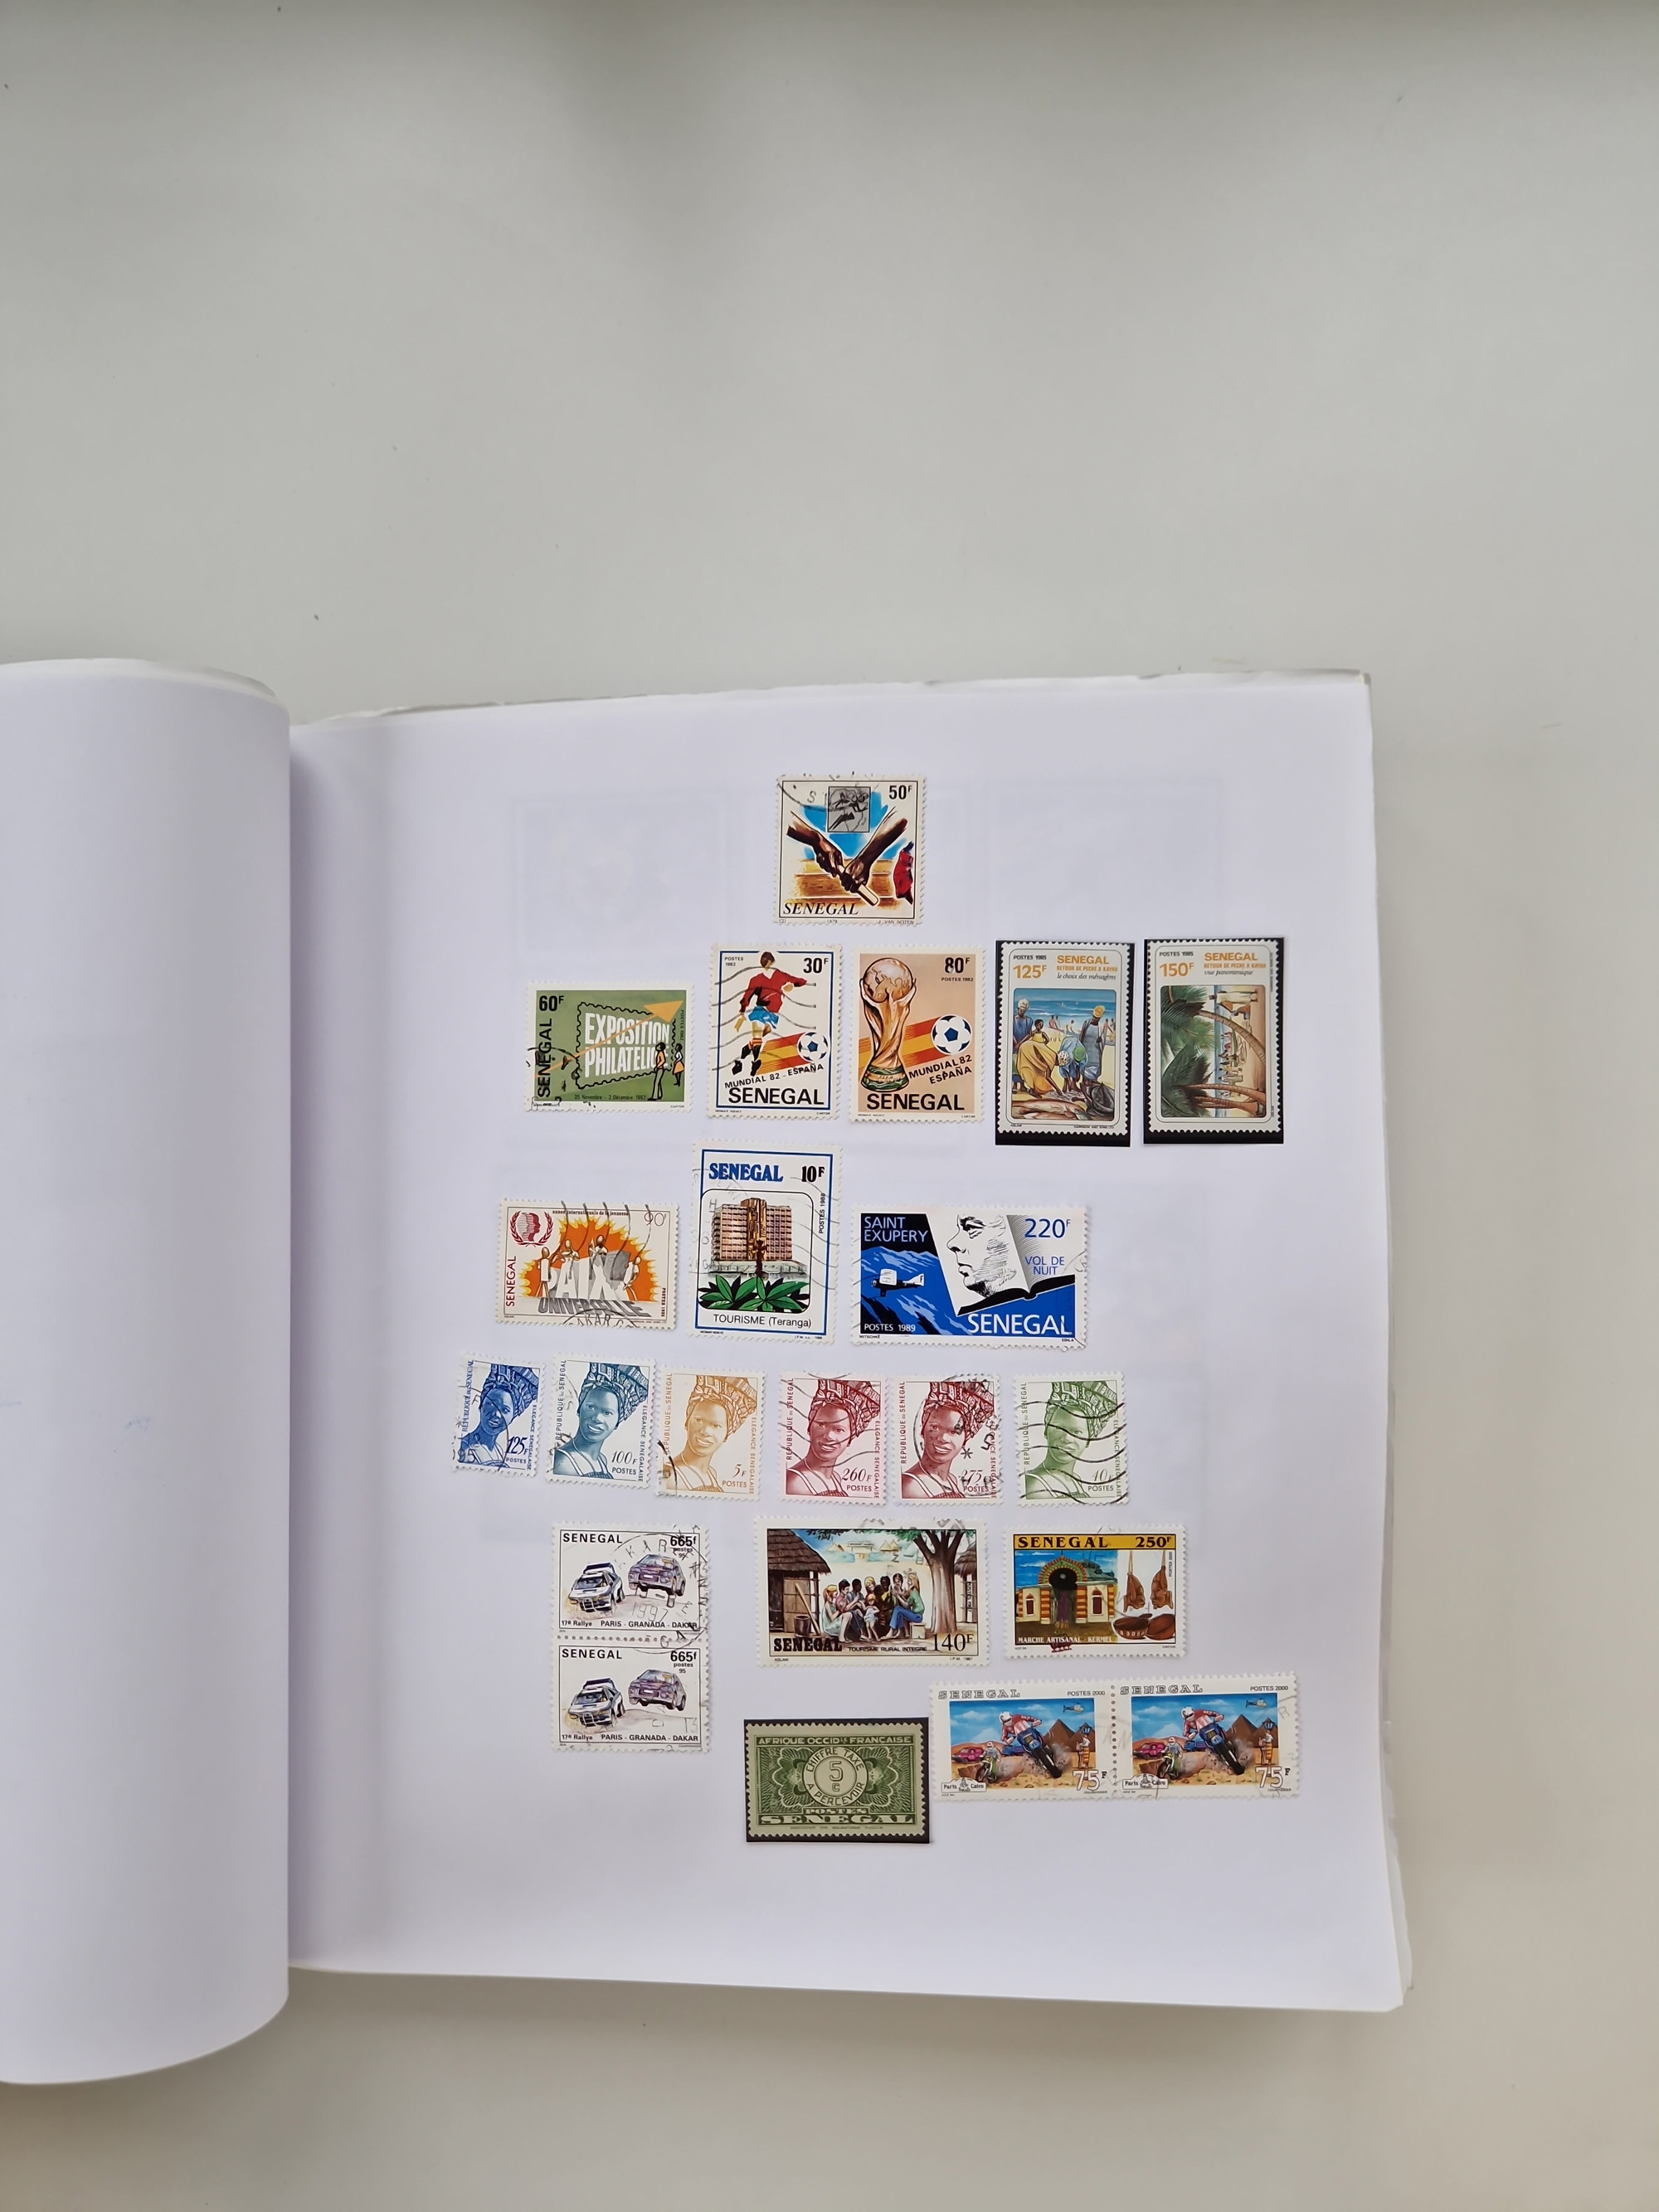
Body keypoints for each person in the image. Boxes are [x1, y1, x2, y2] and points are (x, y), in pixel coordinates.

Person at [1022, 1378, 1120, 1501]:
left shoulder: (1075, 1481)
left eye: (1076, 1432)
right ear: (1046, 1430)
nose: (1066, 1438)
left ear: (1089, 1440)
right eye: (1059, 1428)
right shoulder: (1036, 1485)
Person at [785, 1376, 882, 1495]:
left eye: (839, 1430)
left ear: (850, 1438)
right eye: (821, 1425)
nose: (829, 1436)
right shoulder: (795, 1483)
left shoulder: (836, 1479)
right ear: (810, 1426)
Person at [552, 1361, 649, 1480]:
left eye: (607, 1413)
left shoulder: (602, 1461)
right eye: (591, 1407)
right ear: (579, 1408)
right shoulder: (563, 1463)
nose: (597, 1418)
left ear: (617, 1422)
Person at [663, 1373, 757, 1494]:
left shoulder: (711, 1474)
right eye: (699, 1420)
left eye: (715, 1426)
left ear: (727, 1434)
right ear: (687, 1420)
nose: (705, 1431)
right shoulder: (668, 1476)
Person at [902, 1378, 995, 1498]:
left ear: (965, 1438)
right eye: (935, 1427)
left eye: (953, 1431)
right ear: (923, 1428)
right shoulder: (911, 1486)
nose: (943, 1438)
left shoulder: (952, 1481)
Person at [732, 952, 810, 1078]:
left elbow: (797, 981)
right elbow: (747, 996)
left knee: (757, 1039)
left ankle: (740, 1060)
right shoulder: (757, 979)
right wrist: (742, 1011)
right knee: (757, 1038)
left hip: (773, 1014)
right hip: (760, 1010)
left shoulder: (780, 976)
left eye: (765, 960)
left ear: (770, 962)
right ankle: (755, 1063)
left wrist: (795, 984)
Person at [457, 1364, 538, 1466]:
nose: (496, 1414)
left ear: (512, 1417)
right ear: (481, 1404)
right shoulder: (464, 1449)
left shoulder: (498, 1450)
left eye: (505, 1410)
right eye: (491, 1404)